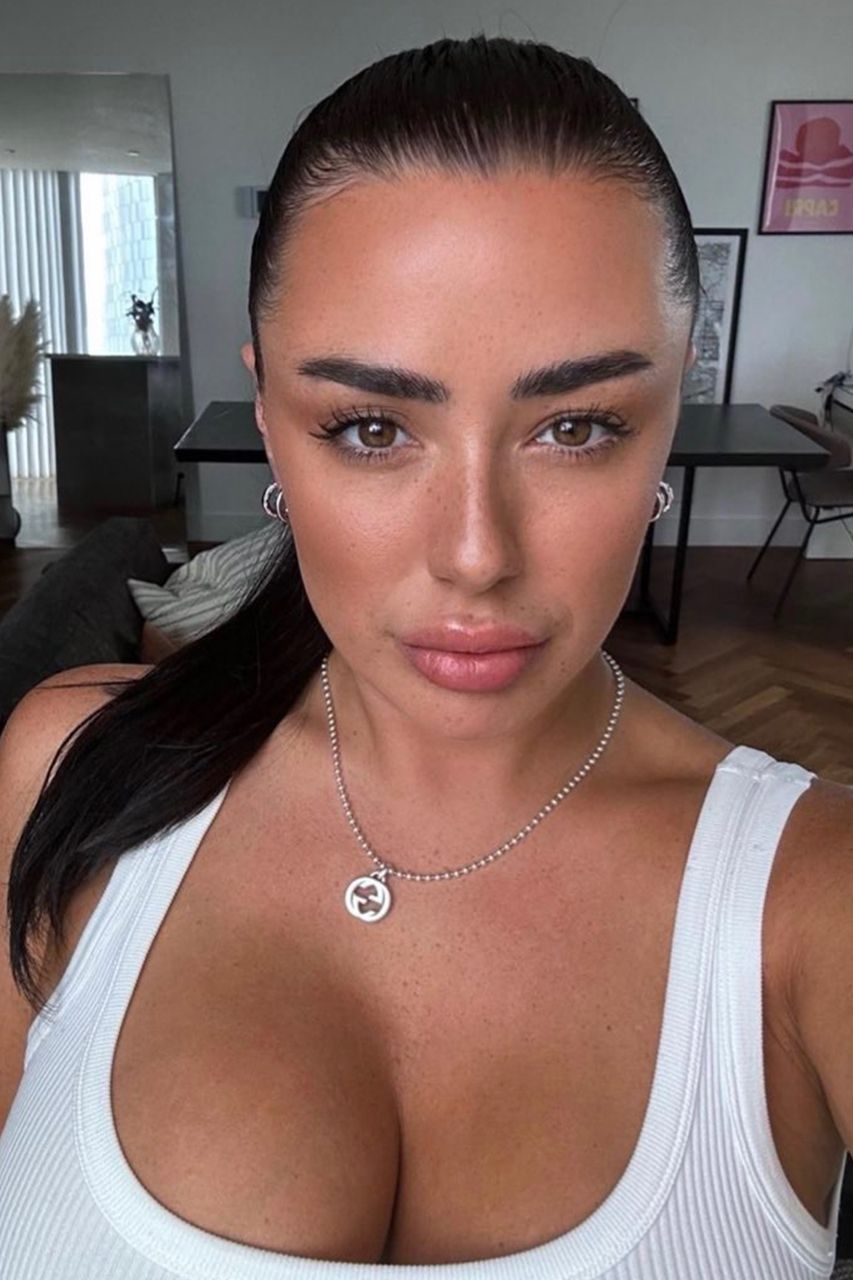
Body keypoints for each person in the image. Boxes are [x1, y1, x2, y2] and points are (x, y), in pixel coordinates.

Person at [0, 32, 850, 1280]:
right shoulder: (67, 763)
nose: (474, 555)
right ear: (271, 422)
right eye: (369, 427)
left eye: (577, 425)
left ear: (669, 409)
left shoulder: (815, 899)